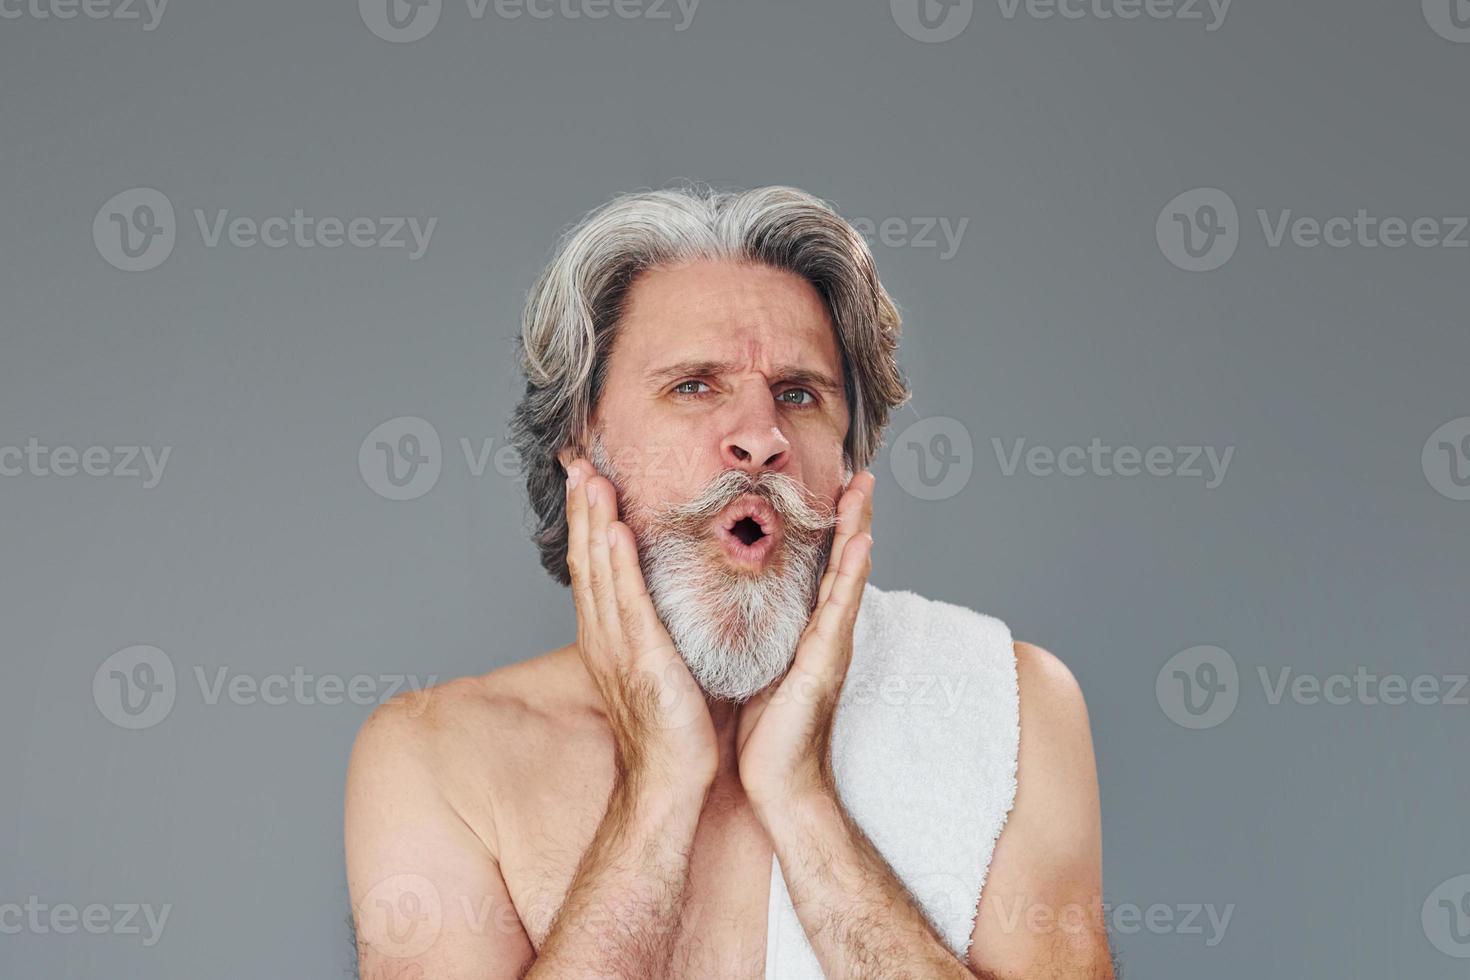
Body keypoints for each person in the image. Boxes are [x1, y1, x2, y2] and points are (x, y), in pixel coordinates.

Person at [345, 185, 1112, 978]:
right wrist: (657, 792)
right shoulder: (438, 759)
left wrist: (804, 802)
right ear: (581, 447)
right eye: (694, 386)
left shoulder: (1007, 706)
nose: (760, 438)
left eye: (799, 394)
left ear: (849, 462)